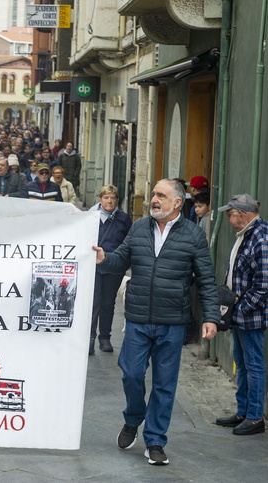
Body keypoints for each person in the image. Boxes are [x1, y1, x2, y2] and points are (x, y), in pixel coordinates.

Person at [93, 178, 219, 466]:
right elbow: (122, 257)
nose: (153, 200)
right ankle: (133, 418)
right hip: (137, 317)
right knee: (131, 373)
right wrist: (104, 258)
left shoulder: (193, 235)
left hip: (172, 321)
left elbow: (206, 281)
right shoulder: (139, 227)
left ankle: (155, 440)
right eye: (153, 194)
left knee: (164, 384)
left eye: (161, 195)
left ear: (177, 202)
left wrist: (211, 316)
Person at [215, 194, 268, 436]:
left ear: (243, 214)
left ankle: (255, 417)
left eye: (231, 214)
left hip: (250, 315)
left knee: (253, 365)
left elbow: (264, 283)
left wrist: (242, 307)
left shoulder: (260, 236)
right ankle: (243, 411)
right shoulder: (247, 234)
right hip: (239, 314)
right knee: (242, 363)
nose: (229, 218)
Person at [89, 185, 132, 355]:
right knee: (94, 303)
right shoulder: (90, 217)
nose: (109, 201)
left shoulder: (123, 218)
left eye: (113, 197)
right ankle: (90, 338)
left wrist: (125, 263)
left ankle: (105, 338)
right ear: (100, 199)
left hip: (114, 266)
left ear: (117, 200)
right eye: (106, 197)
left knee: (108, 303)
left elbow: (129, 242)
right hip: (94, 265)